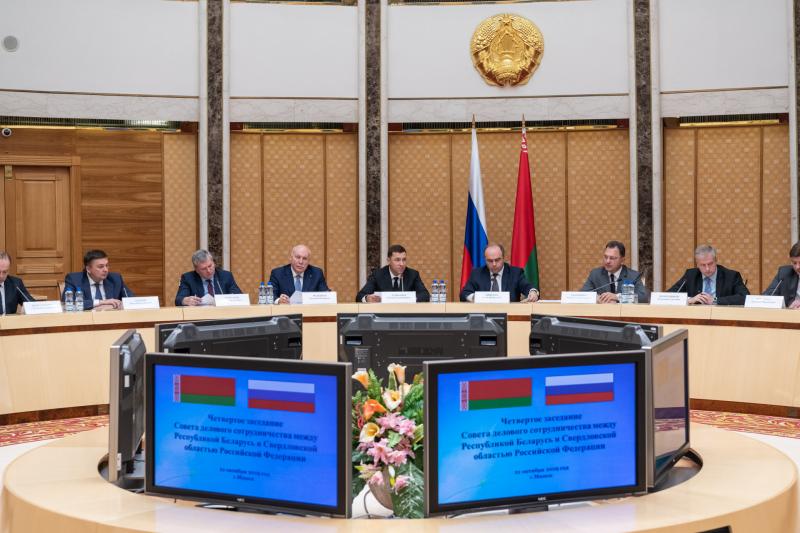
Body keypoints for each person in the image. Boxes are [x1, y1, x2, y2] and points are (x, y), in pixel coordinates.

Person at [667, 244, 749, 306]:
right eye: (703, 265)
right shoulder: (690, 275)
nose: (707, 269)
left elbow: (745, 297)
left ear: (716, 261)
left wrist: (715, 300)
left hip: (722, 317)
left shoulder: (731, 276)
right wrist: (689, 300)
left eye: (710, 264)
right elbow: (667, 296)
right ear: (697, 264)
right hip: (695, 317)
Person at [459, 243, 539, 302]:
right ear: (485, 260)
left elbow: (527, 286)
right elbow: (464, 294)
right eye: (490, 261)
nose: (494, 264)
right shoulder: (477, 274)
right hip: (484, 314)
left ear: (503, 258)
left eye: (497, 260)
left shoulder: (515, 273)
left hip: (509, 314)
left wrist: (533, 292)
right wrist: (476, 298)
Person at [356, 244, 430, 302]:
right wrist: (367, 298)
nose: (401, 264)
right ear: (389, 261)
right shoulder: (378, 275)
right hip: (384, 314)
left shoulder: (413, 274)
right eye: (397, 260)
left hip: (406, 314)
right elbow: (360, 296)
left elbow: (425, 295)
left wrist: (410, 298)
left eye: (404, 260)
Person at [63, 250, 133, 311]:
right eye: (100, 266)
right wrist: (101, 302)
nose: (105, 270)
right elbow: (68, 303)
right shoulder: (74, 279)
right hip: (85, 319)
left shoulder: (115, 278)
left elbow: (131, 301)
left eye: (107, 265)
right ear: (88, 269)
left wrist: (113, 306)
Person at [581, 240, 649, 303]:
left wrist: (617, 297)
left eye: (612, 258)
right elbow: (583, 294)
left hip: (624, 311)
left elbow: (643, 297)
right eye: (605, 257)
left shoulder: (633, 276)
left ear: (622, 260)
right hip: (602, 311)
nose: (607, 261)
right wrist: (598, 298)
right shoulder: (595, 274)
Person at [175, 249, 242, 306]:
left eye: (210, 266)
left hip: (222, 314)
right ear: (197, 270)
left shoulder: (226, 276)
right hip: (199, 314)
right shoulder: (188, 278)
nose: (209, 271)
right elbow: (178, 299)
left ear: (214, 263)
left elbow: (239, 296)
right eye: (204, 269)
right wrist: (184, 300)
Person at [763, 241, 800, 309]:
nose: (797, 267)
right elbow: (769, 295)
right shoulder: (784, 273)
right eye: (794, 263)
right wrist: (788, 306)